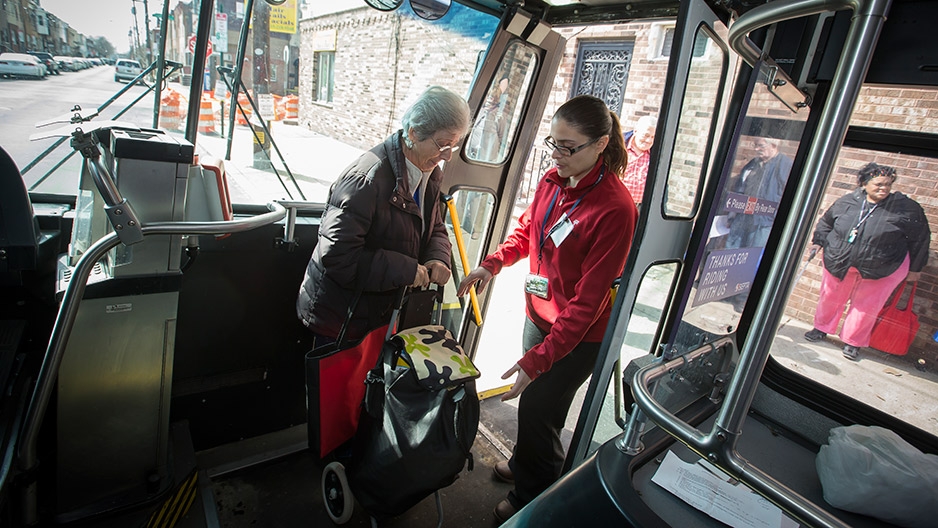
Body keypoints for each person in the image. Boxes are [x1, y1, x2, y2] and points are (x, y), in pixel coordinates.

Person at [456, 95, 638, 523]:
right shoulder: (555, 179)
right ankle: (526, 465)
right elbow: (529, 231)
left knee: (540, 409)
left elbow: (587, 304)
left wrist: (537, 360)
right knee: (537, 408)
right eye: (552, 144)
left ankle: (534, 494)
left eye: (568, 147)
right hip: (539, 315)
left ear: (601, 144)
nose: (557, 156)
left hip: (580, 334)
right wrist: (492, 263)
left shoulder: (615, 209)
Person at [296, 86, 469, 346]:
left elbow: (434, 227)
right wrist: (406, 270)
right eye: (443, 144)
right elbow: (338, 257)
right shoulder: (365, 180)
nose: (446, 157)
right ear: (413, 133)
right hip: (344, 321)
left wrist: (438, 257)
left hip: (383, 317)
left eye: (453, 147)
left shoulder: (428, 173)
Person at [804, 162, 931, 360]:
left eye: (888, 184)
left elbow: (921, 238)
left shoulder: (907, 208)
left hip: (884, 266)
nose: (884, 188)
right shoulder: (847, 201)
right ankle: (820, 328)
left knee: (867, 306)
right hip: (840, 260)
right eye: (878, 184)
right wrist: (818, 242)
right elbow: (826, 222)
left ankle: (853, 342)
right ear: (864, 183)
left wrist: (915, 268)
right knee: (830, 297)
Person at [725, 137, 793, 249]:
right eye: (755, 145)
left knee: (752, 255)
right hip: (743, 216)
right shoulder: (753, 163)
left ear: (773, 146)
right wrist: (732, 213)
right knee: (730, 251)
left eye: (761, 145)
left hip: (764, 222)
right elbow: (741, 187)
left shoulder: (785, 165)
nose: (756, 149)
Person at [620, 115, 657, 206]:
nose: (649, 140)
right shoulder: (619, 146)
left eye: (653, 137)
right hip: (616, 203)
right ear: (636, 131)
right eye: (646, 135)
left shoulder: (657, 153)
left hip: (642, 207)